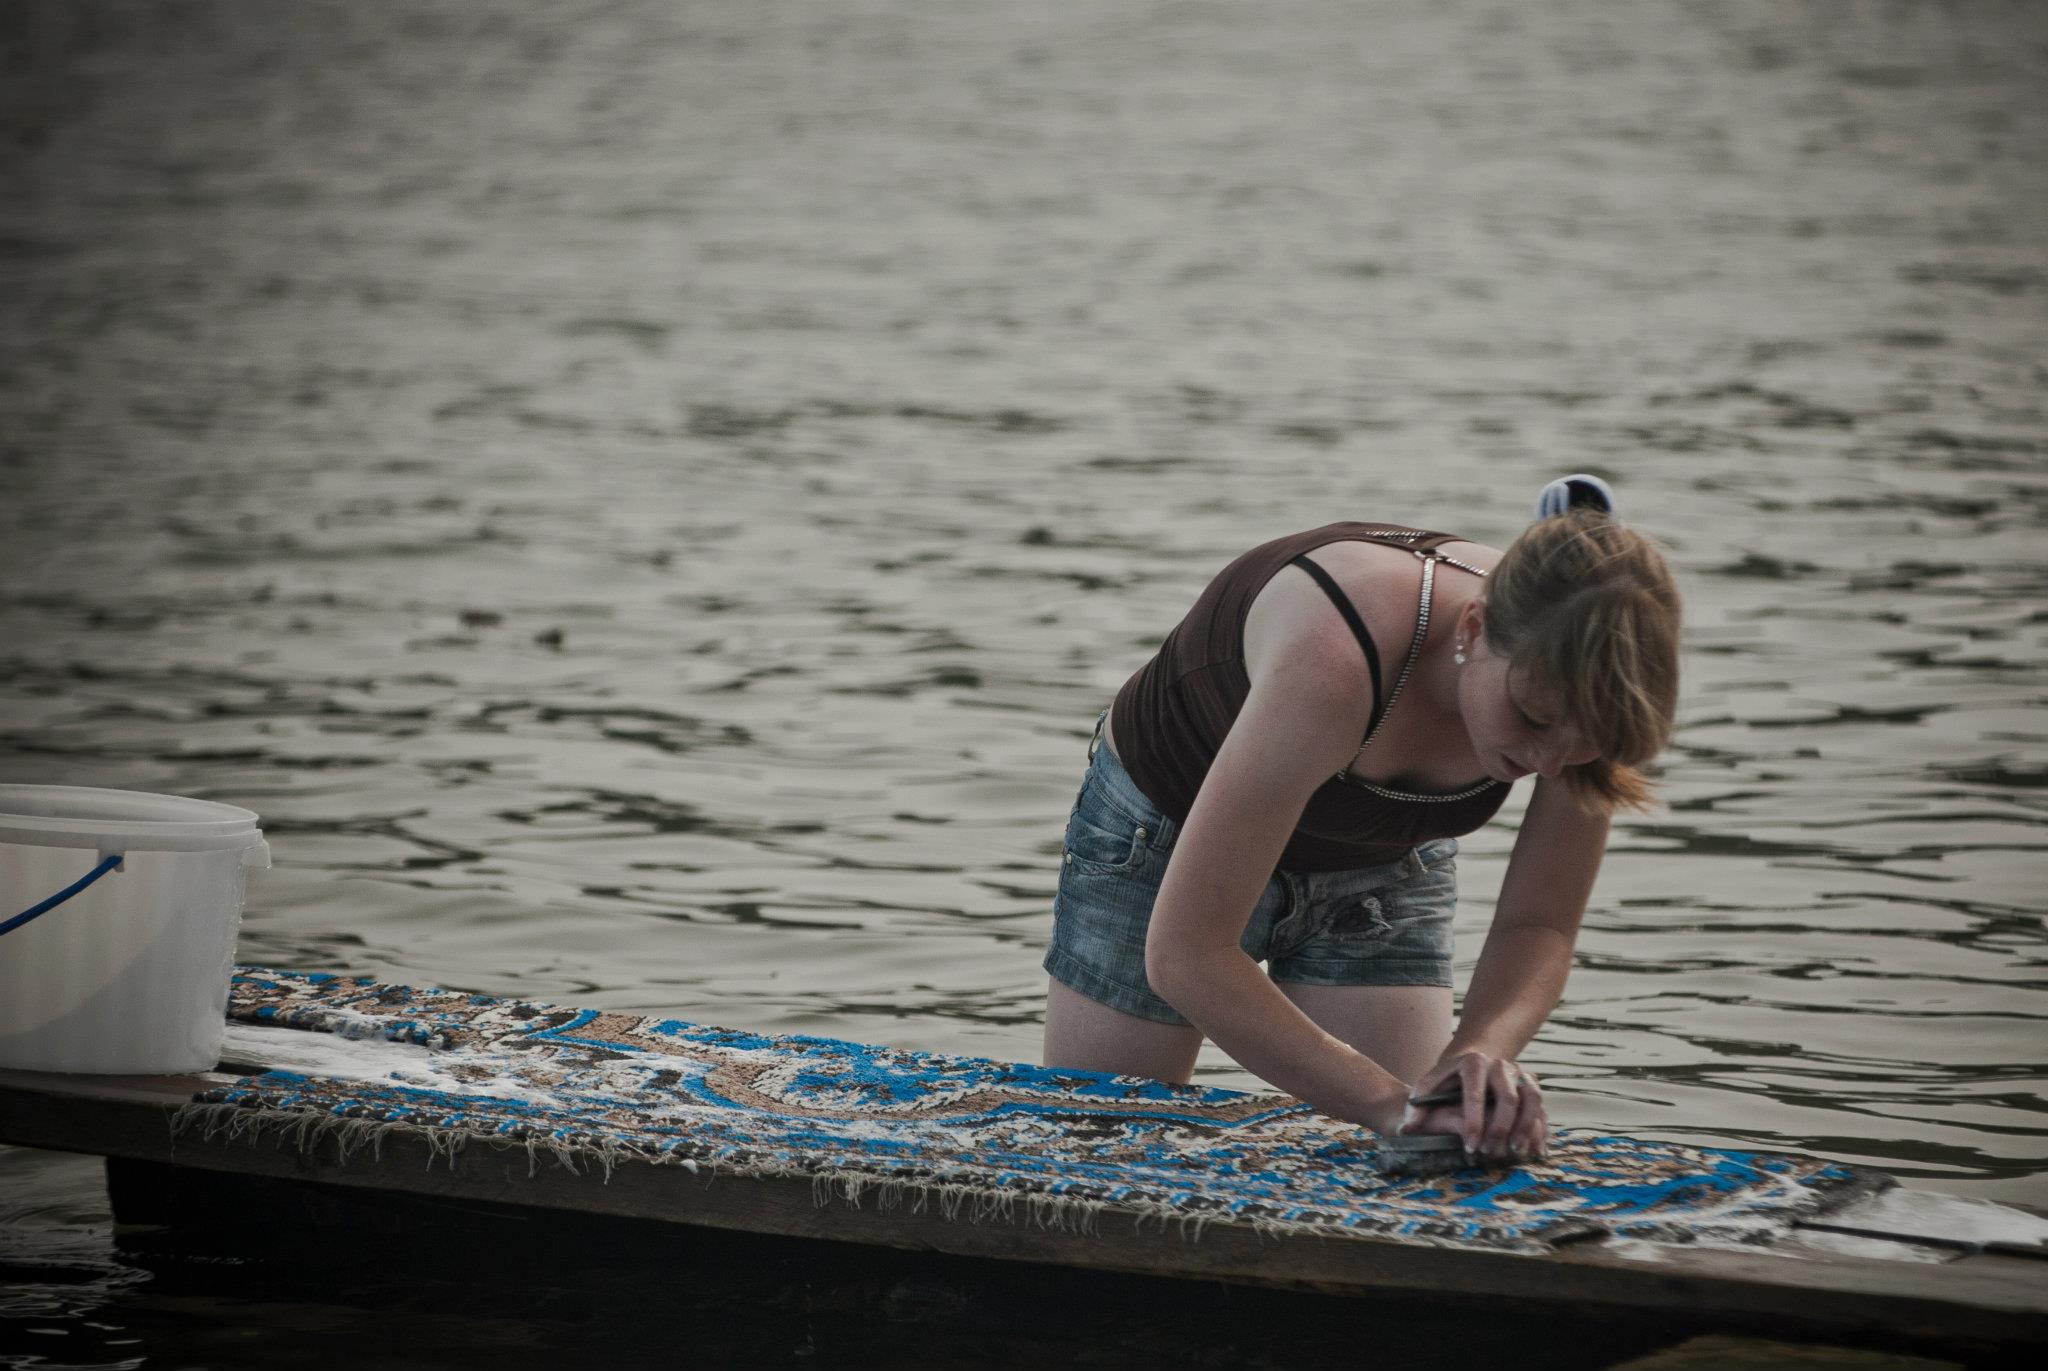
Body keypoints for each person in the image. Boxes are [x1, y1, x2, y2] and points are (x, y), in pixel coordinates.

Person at [1040, 476, 1681, 1163]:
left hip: (1381, 855)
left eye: (1584, 743)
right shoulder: (1333, 659)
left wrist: (1477, 1058)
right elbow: (1186, 956)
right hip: (1163, 829)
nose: (1549, 762)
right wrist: (1388, 1105)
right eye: (1531, 718)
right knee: (1101, 1147)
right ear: (1473, 628)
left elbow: (1541, 925)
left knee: (1431, 1152)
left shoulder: (1593, 689)